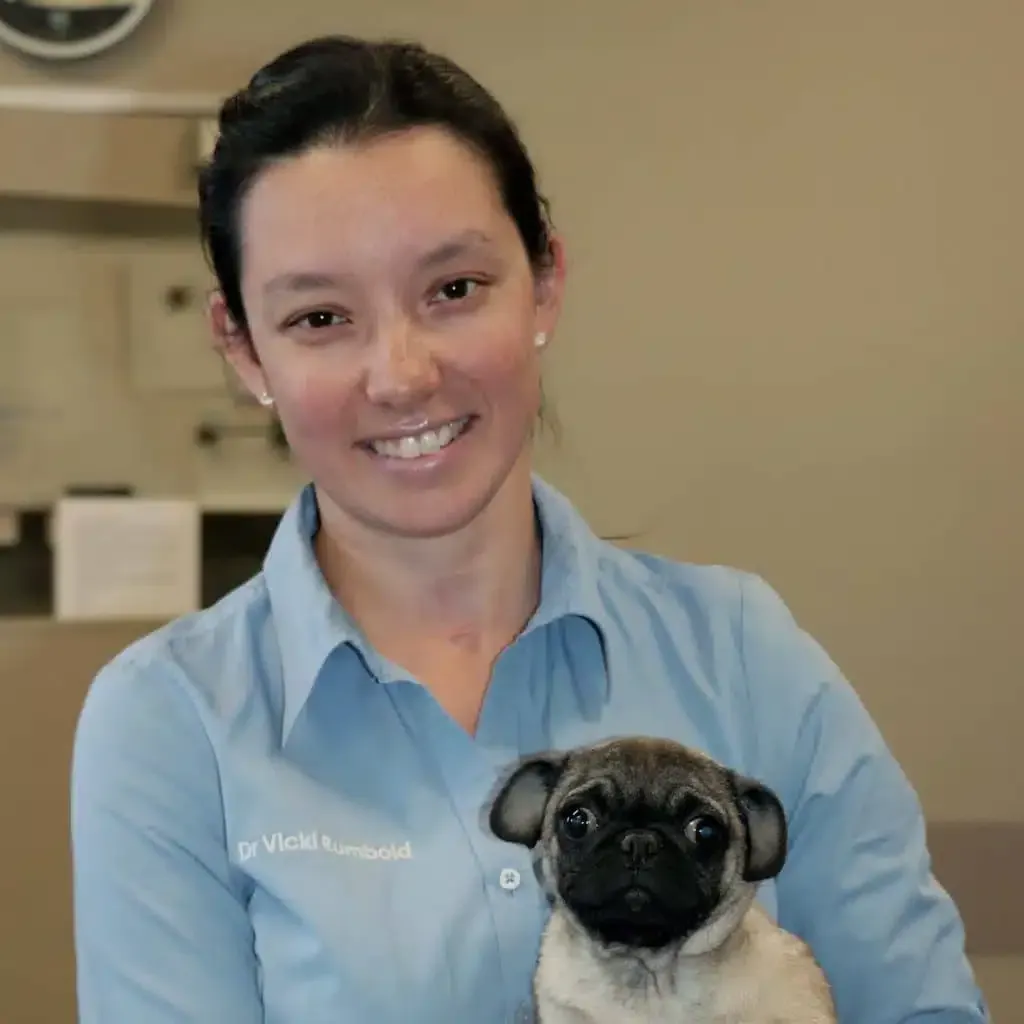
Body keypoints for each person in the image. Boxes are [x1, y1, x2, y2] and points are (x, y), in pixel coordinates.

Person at [69, 34, 989, 1024]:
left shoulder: (743, 652)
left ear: (544, 279)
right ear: (243, 350)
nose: (402, 373)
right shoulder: (170, 722)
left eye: (453, 289)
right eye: (319, 318)